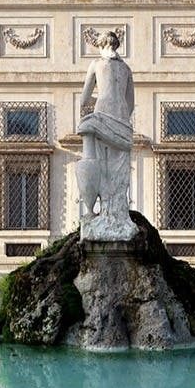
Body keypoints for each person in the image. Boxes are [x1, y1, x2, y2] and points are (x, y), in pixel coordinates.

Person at [77, 31, 139, 241]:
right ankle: (118, 215)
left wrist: (97, 102)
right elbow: (130, 101)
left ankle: (100, 213)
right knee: (120, 169)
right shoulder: (126, 68)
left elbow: (85, 98)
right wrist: (120, 116)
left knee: (101, 164)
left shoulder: (96, 64)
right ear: (116, 45)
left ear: (101, 46)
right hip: (121, 117)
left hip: (102, 112)